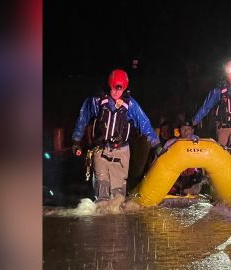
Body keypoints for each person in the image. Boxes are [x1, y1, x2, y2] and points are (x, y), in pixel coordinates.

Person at [71, 69, 163, 202]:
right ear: (109, 85)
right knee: (102, 191)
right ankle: (101, 216)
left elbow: (145, 124)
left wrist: (156, 145)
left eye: (119, 89)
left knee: (118, 197)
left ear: (125, 88)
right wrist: (76, 140)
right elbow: (83, 118)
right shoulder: (97, 101)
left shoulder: (130, 104)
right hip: (101, 150)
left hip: (121, 152)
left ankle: (117, 217)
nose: (116, 92)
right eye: (114, 88)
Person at [191, 60, 231, 168]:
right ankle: (222, 178)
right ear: (226, 74)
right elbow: (206, 106)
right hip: (223, 127)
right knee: (223, 155)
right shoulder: (219, 90)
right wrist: (194, 121)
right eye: (230, 73)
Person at [164, 119, 204, 195]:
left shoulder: (198, 142)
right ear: (179, 130)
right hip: (176, 175)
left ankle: (189, 189)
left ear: (192, 130)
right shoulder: (170, 143)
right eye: (183, 129)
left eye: (188, 129)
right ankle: (180, 189)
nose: (186, 132)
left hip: (192, 176)